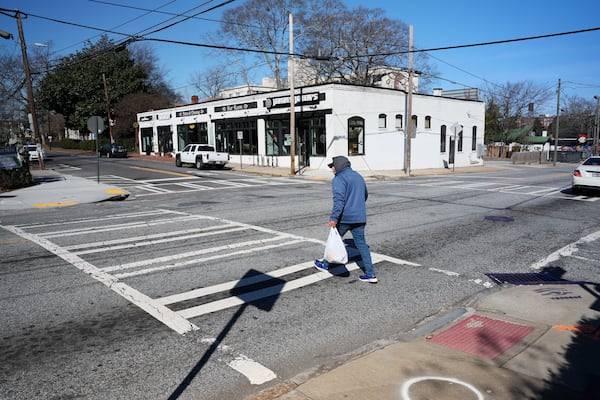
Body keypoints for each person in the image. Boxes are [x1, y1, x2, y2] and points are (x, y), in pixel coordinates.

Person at [314, 156, 377, 283]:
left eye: (333, 166)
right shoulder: (358, 176)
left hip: (345, 219)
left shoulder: (339, 178)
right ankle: (371, 274)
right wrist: (356, 206)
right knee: (362, 245)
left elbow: (339, 201)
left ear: (339, 165)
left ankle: (325, 265)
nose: (332, 169)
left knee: (334, 240)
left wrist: (334, 218)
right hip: (360, 217)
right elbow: (364, 195)